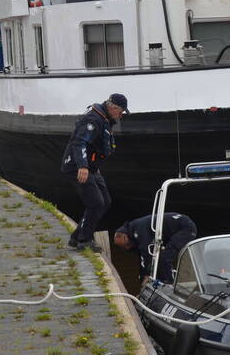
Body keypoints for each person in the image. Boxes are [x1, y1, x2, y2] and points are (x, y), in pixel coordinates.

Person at [60, 93, 128, 250]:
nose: (121, 115)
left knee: (105, 200)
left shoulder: (105, 119)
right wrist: (82, 166)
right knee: (95, 202)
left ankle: (77, 236)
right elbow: (79, 142)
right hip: (77, 166)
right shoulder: (94, 120)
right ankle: (84, 239)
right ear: (112, 107)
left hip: (91, 167)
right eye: (121, 111)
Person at [113, 212, 197, 285]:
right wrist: (142, 277)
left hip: (185, 228)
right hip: (172, 231)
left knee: (164, 258)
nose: (128, 247)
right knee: (159, 258)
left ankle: (169, 284)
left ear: (124, 237)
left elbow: (146, 251)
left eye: (126, 245)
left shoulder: (138, 230)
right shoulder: (133, 230)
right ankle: (162, 281)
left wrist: (146, 275)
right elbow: (141, 257)